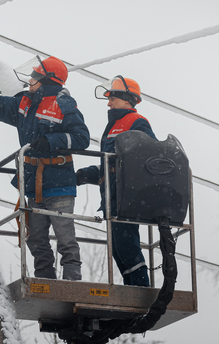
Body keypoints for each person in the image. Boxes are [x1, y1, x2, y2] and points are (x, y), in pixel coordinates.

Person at [0, 56, 90, 281]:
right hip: (33, 184)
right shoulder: (26, 102)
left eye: (35, 76)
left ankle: (72, 279)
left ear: (48, 80)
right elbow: (4, 105)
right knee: (35, 238)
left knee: (65, 236)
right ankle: (45, 277)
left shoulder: (63, 104)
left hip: (59, 183)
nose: (30, 79)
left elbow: (81, 138)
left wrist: (52, 142)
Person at [75, 76, 156, 287]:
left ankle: (140, 290)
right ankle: (132, 289)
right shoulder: (112, 127)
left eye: (112, 98)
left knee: (127, 246)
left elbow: (150, 155)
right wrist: (86, 174)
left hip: (126, 197)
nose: (109, 103)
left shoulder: (137, 122)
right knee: (118, 249)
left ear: (127, 99)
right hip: (112, 198)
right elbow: (109, 166)